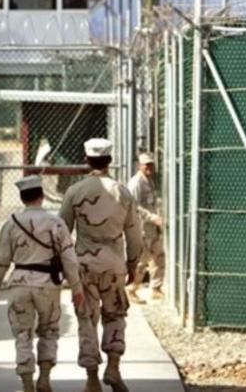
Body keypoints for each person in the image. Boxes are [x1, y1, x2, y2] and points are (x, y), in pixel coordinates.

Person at [59, 138, 143, 392]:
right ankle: (113, 367)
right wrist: (132, 264)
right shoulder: (122, 192)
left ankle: (92, 378)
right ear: (110, 160)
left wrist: (63, 267)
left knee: (86, 318)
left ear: (86, 160)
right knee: (115, 315)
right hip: (114, 264)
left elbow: (63, 233)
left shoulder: (75, 191)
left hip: (84, 266)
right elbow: (134, 234)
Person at [0, 175, 84, 392]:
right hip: (47, 285)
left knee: (23, 335)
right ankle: (44, 378)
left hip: (20, 284)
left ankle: (26, 383)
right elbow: (69, 259)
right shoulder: (56, 223)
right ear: (42, 196)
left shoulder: (12, 223)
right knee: (49, 330)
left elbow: (2, 258)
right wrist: (76, 287)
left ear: (22, 198)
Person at [127, 152, 165, 304]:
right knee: (141, 261)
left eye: (151, 164)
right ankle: (131, 289)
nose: (149, 167)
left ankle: (156, 288)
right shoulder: (136, 183)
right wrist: (152, 217)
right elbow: (134, 206)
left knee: (159, 256)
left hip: (151, 228)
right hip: (141, 228)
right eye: (146, 165)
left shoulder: (149, 180)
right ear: (139, 166)